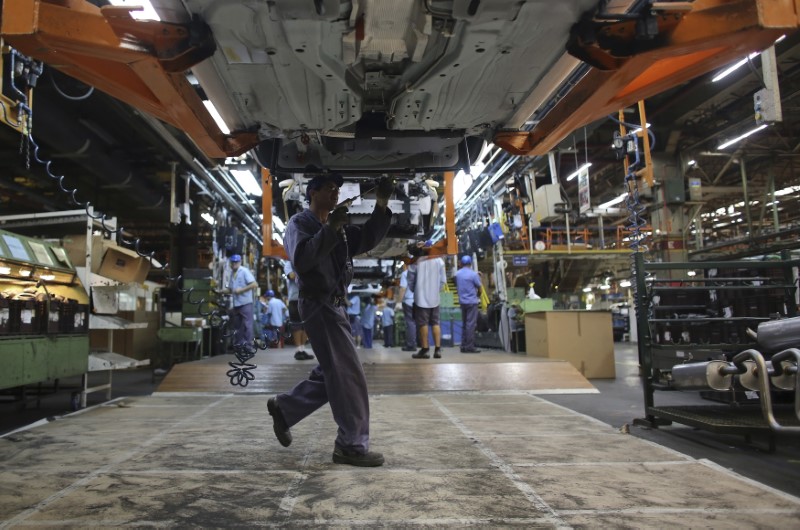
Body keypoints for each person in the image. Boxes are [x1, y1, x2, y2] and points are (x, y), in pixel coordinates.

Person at [267, 173, 394, 467]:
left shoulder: (340, 228)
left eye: (337, 189)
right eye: (328, 188)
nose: (335, 193)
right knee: (348, 374)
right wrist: (331, 229)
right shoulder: (299, 223)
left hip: (335, 306)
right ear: (312, 193)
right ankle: (350, 445)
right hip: (319, 304)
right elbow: (302, 259)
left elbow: (368, 238)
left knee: (334, 373)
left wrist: (382, 203)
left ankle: (285, 409)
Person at [408, 246, 446, 359]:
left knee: (423, 323)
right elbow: (443, 280)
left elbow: (410, 280)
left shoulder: (416, 261)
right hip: (435, 297)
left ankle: (425, 350)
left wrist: (415, 290)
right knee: (435, 322)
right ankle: (437, 350)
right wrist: (435, 290)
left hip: (420, 297)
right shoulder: (439, 261)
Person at [222, 254, 257, 348]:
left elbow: (254, 284)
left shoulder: (244, 271)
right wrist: (220, 292)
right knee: (237, 326)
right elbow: (231, 289)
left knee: (247, 325)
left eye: (236, 262)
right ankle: (239, 346)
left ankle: (248, 346)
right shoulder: (232, 273)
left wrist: (241, 290)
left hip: (245, 303)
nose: (234, 264)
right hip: (236, 303)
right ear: (230, 263)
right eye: (232, 262)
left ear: (240, 262)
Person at [284, 260, 314, 360]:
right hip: (295, 298)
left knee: (306, 324)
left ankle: (302, 349)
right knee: (296, 324)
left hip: (307, 297)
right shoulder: (289, 263)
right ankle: (298, 350)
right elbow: (291, 276)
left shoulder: (306, 262)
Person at [454, 255, 482, 353]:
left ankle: (463, 345)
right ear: (470, 263)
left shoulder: (457, 274)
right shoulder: (474, 275)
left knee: (465, 324)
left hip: (462, 302)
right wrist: (478, 295)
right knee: (471, 325)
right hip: (472, 302)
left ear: (461, 263)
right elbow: (480, 288)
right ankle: (470, 346)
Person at [398, 263, 417, 352]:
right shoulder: (419, 272)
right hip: (419, 301)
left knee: (410, 323)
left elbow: (403, 288)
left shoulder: (405, 273)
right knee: (419, 323)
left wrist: (398, 302)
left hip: (408, 301)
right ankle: (422, 343)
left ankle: (411, 345)